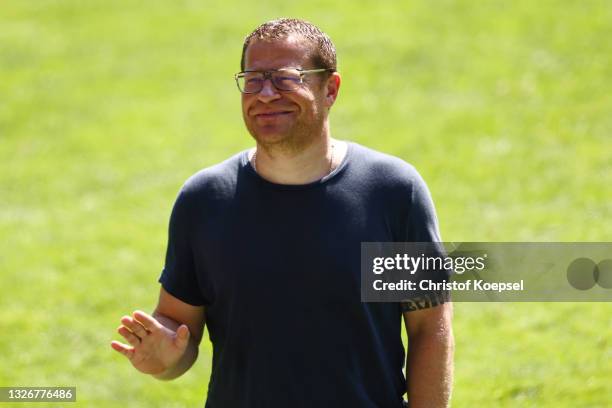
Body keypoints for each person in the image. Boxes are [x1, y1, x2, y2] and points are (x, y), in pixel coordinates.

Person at [111, 18, 454, 408]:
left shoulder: (391, 191)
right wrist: (164, 360)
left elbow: (429, 328)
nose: (267, 93)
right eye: (253, 79)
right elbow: (178, 334)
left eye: (287, 78)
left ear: (331, 89)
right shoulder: (205, 200)